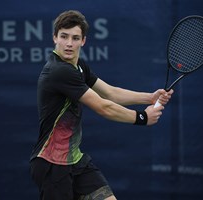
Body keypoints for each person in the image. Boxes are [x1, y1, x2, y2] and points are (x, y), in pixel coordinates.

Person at [30, 10, 173, 200]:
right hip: (51, 165)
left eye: (75, 38)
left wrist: (149, 98)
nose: (69, 43)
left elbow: (109, 92)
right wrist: (142, 118)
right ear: (54, 37)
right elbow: (102, 106)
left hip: (75, 160)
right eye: (64, 37)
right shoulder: (59, 71)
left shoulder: (79, 66)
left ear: (83, 41)